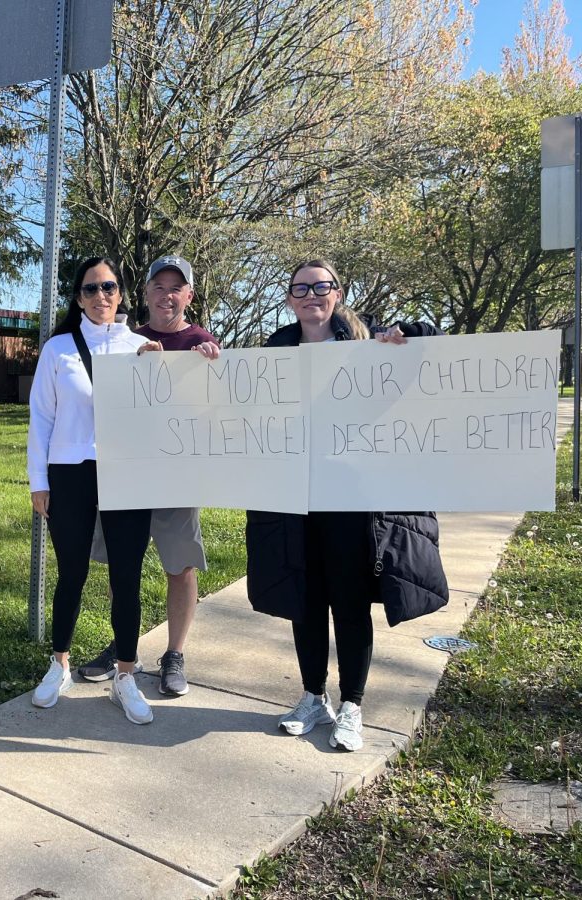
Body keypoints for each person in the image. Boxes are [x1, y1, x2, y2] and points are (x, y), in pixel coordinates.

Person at [245, 258, 448, 751]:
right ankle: (313, 697)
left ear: (337, 293)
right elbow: (242, 398)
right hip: (295, 497)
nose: (311, 294)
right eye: (301, 287)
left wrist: (411, 332)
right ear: (290, 298)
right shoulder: (276, 348)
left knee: (350, 600)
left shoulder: (367, 343)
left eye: (321, 286)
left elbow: (437, 342)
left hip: (355, 499)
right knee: (305, 600)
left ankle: (352, 705)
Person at [80, 255, 220, 697]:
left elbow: (220, 413)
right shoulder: (127, 340)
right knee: (124, 565)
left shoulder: (203, 344)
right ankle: (124, 647)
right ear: (145, 293)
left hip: (179, 477)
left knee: (179, 566)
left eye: (176, 287)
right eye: (158, 286)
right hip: (130, 473)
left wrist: (213, 373)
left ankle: (174, 653)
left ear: (189, 296)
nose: (167, 295)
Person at [27, 256, 159, 724]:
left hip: (127, 473)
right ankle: (58, 663)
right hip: (71, 470)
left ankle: (125, 675)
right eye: (89, 289)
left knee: (126, 576)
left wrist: (163, 372)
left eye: (108, 287)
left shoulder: (144, 347)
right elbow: (41, 418)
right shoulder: (58, 348)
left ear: (121, 293)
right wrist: (38, 481)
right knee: (72, 573)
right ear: (77, 297)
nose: (100, 296)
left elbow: (165, 413)